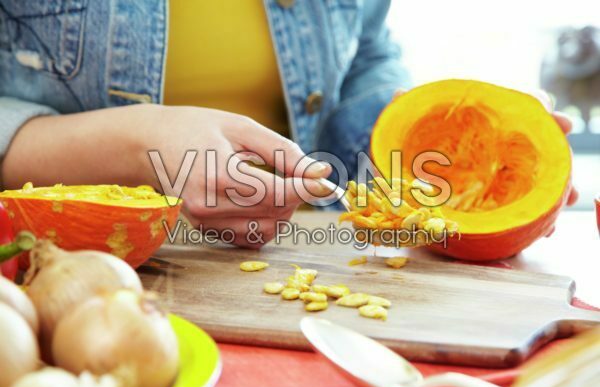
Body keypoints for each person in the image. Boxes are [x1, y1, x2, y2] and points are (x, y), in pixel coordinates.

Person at [0, 1, 576, 247]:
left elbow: (367, 54)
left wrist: (408, 141)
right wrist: (135, 144)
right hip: (68, 270)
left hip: (304, 250)